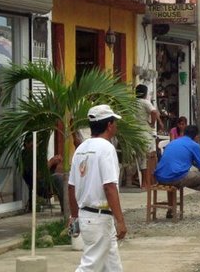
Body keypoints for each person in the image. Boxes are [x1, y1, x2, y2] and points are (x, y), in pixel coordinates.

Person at [68, 104, 127, 272]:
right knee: (89, 266)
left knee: (112, 266)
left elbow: (71, 187)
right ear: (109, 125)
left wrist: (73, 216)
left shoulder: (81, 149)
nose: (115, 125)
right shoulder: (106, 148)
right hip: (99, 218)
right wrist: (121, 221)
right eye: (114, 122)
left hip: (87, 215)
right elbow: (109, 187)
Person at [155, 124, 200, 220]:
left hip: (160, 177)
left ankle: (171, 211)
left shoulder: (173, 142)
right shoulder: (194, 145)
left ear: (184, 133)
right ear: (196, 136)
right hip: (176, 178)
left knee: (172, 173)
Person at [136, 84, 164, 188]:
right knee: (146, 157)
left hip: (134, 133)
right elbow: (154, 112)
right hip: (144, 132)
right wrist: (153, 123)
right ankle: (145, 182)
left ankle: (143, 181)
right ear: (145, 93)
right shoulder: (145, 102)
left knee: (139, 158)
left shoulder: (131, 103)